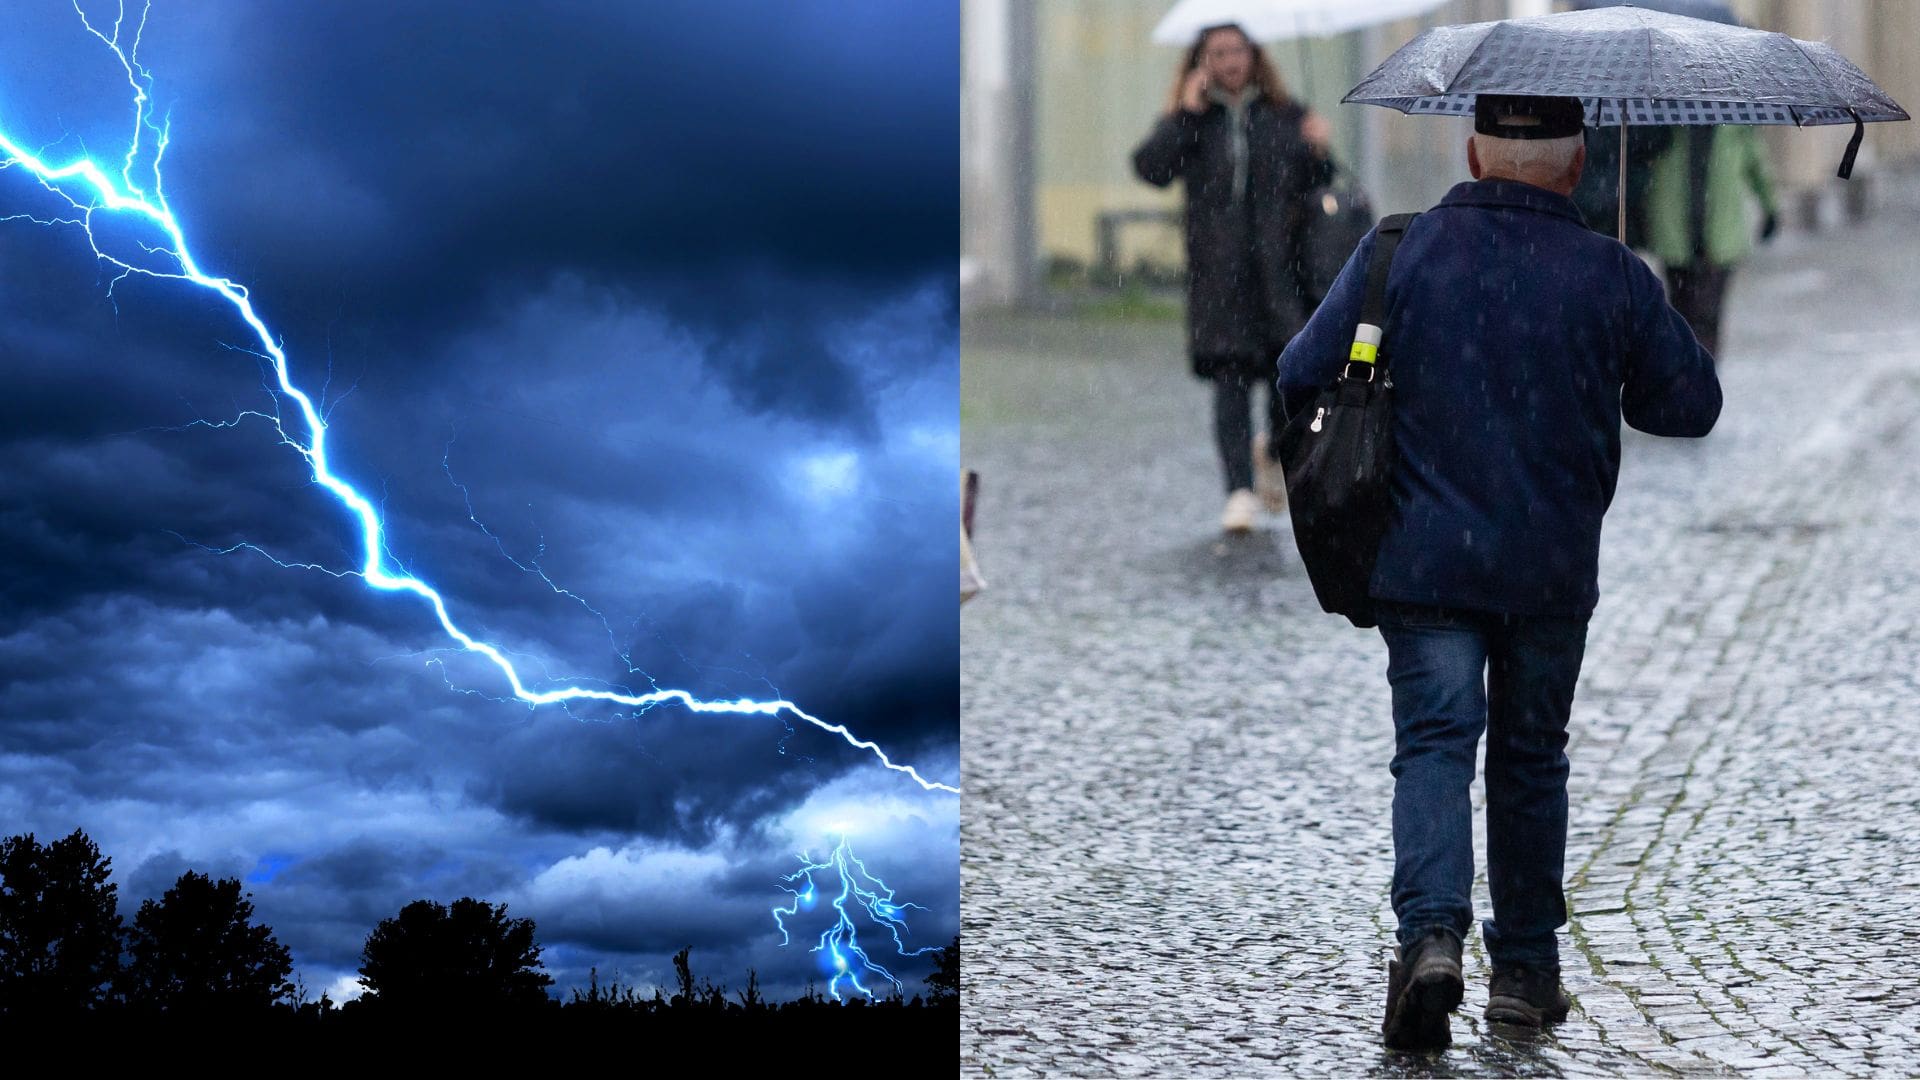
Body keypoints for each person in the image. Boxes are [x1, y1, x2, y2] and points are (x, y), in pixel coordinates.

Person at [1277, 95, 1722, 1051]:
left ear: (1476, 151)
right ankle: (1524, 971)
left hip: (1425, 557)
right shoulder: (1607, 271)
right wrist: (1631, 307)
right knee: (1529, 762)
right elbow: (1690, 406)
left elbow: (1298, 369)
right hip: (1549, 570)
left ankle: (1431, 937)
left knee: (1435, 745)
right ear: (1577, 165)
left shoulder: (1403, 250)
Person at [1132, 23, 1334, 533]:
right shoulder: (1194, 122)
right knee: (1230, 380)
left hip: (1281, 274)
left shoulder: (1284, 116)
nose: (1229, 61)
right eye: (1217, 52)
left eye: (1237, 50)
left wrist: (1318, 149)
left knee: (1285, 378)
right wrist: (1184, 113)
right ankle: (1238, 490)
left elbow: (1317, 186)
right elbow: (1152, 169)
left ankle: (1271, 450)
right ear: (1201, 61)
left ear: (1254, 54)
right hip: (1220, 278)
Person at [1643, 124, 1779, 356]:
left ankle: (1702, 376)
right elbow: (1645, 163)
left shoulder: (1736, 124)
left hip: (1720, 238)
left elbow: (1757, 164)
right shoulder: (1668, 122)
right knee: (1681, 316)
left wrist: (1771, 208)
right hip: (1676, 235)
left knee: (1707, 315)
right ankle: (1688, 374)